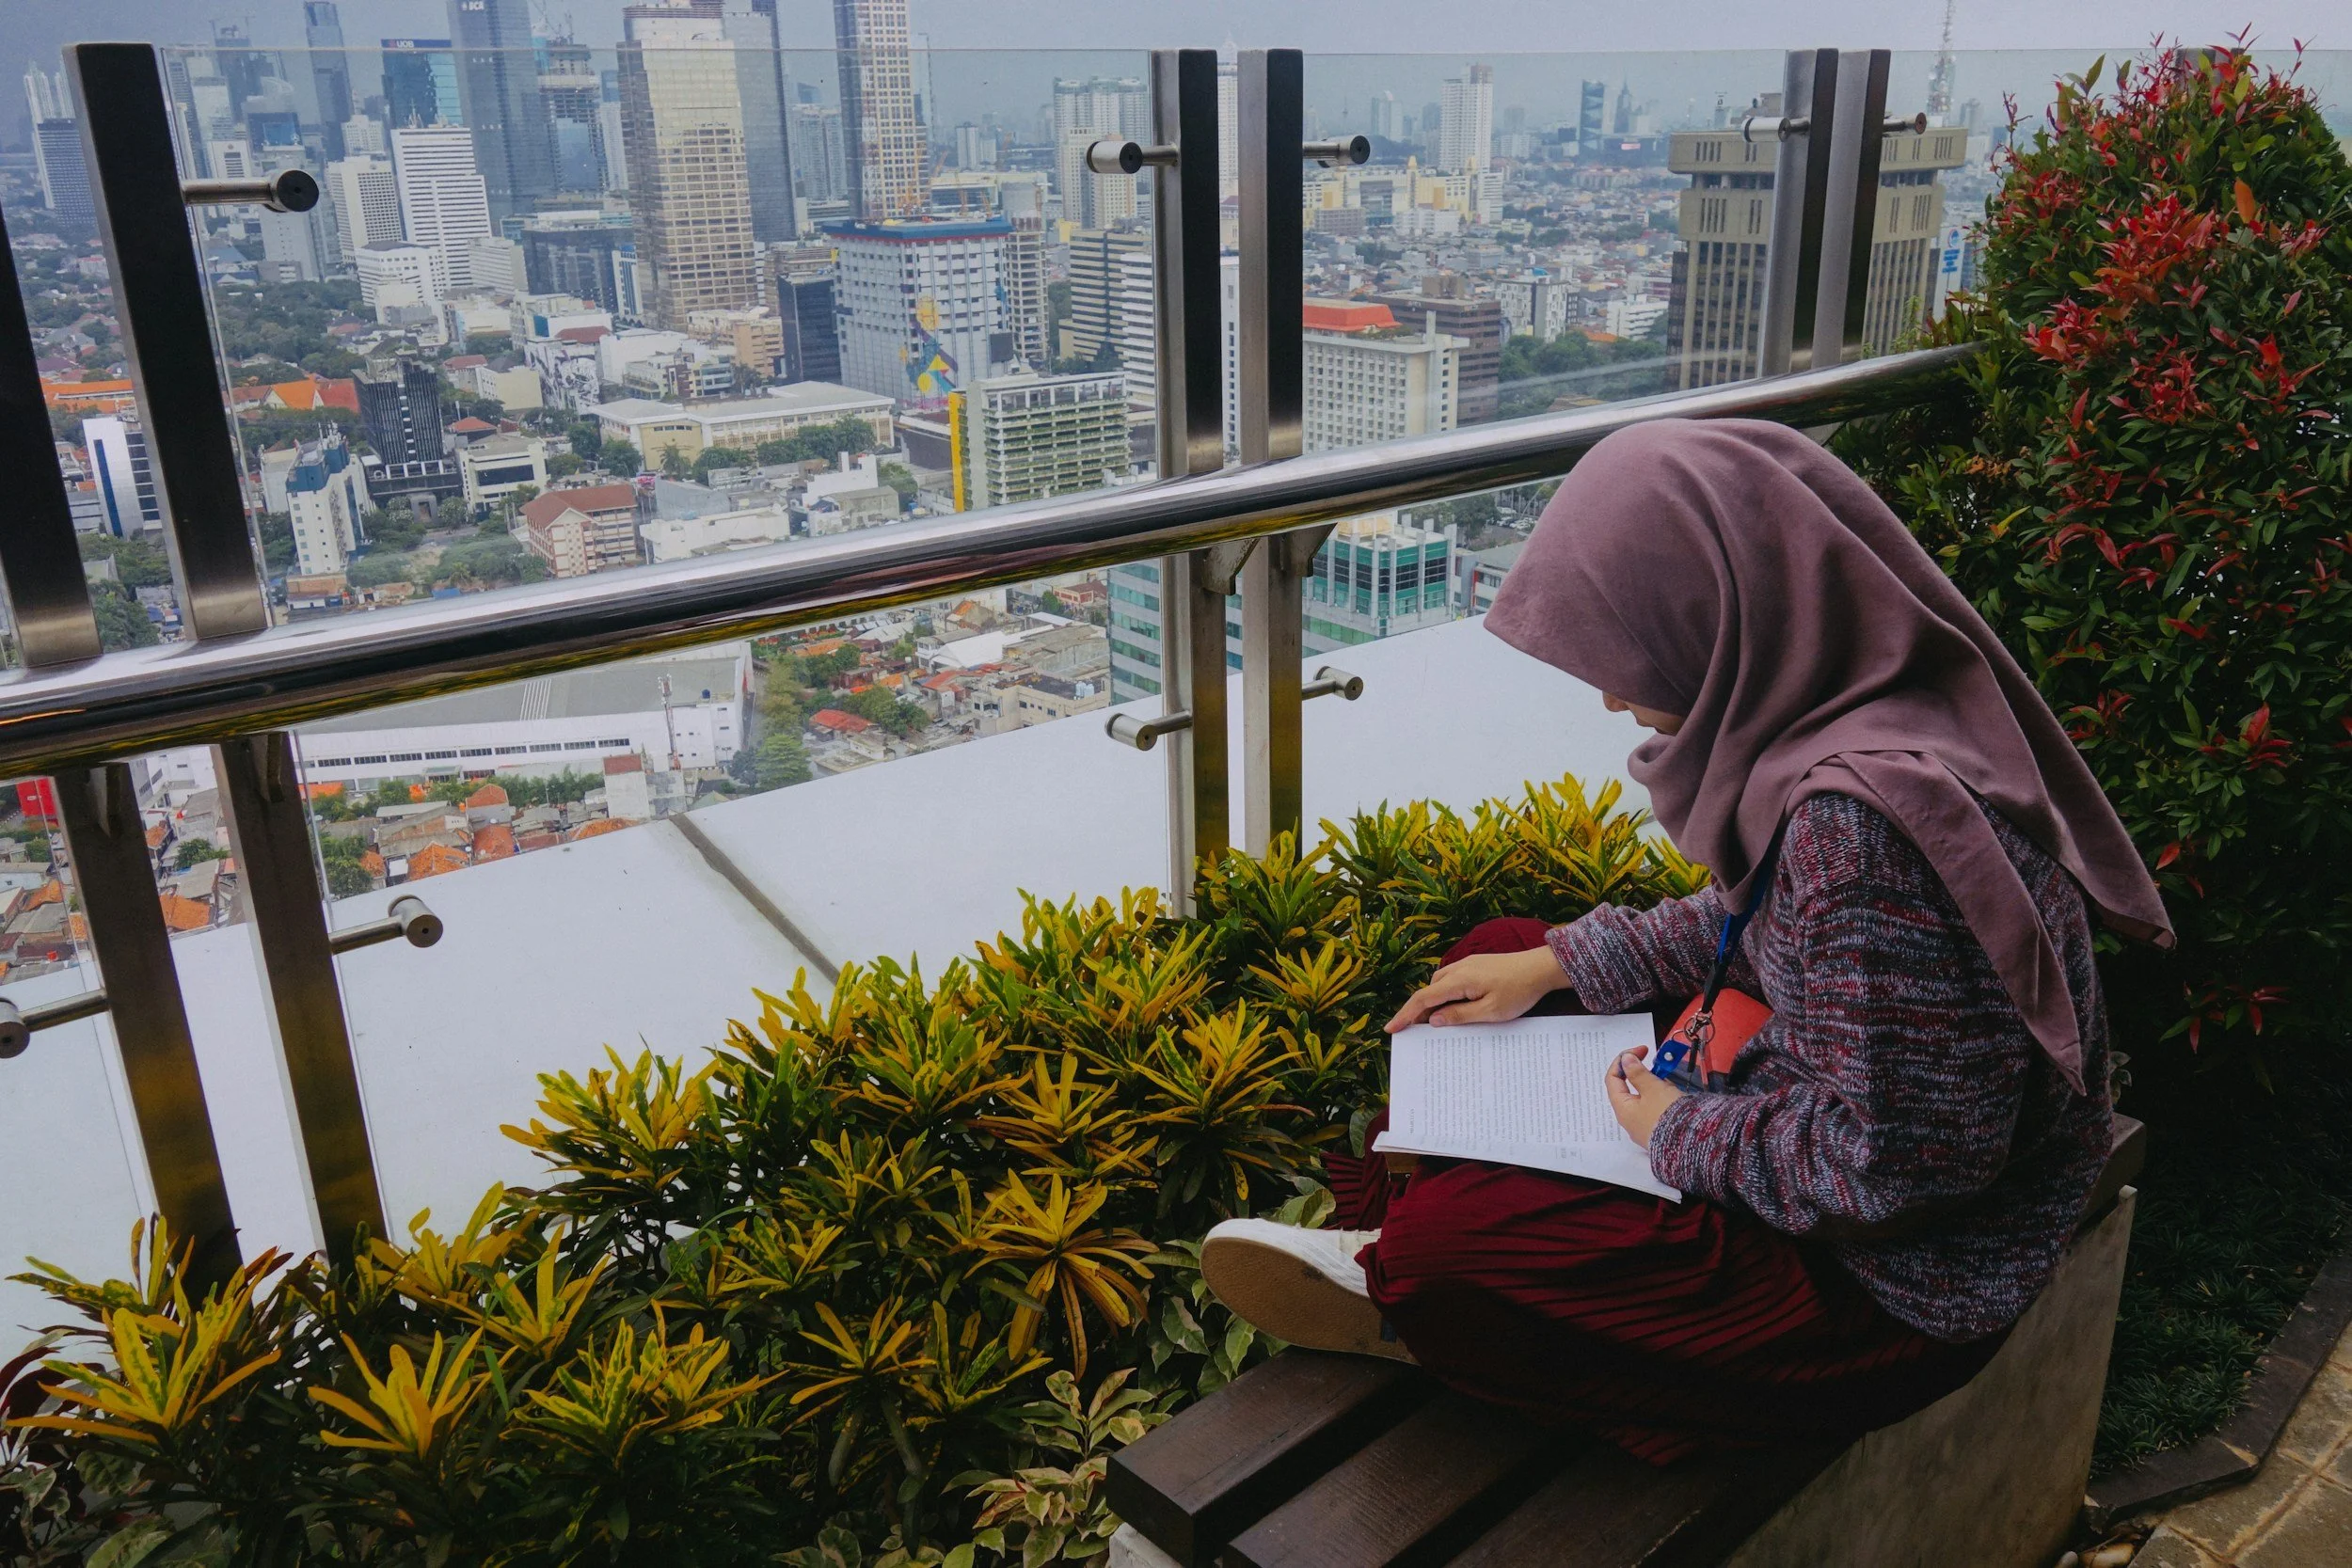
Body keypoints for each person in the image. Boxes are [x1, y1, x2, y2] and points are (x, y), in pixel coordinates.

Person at [1200, 419, 2170, 1463]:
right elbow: (1769, 922)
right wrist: (1556, 961)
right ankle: (1452, 1222)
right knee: (1501, 948)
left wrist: (1672, 1130)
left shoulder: (1863, 831)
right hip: (1810, 1091)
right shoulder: (1866, 699)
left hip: (1890, 1285)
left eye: (1628, 650)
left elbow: (1899, 1170)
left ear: (1720, 611)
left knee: (1449, 1251)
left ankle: (1433, 1274)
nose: (1615, 695)